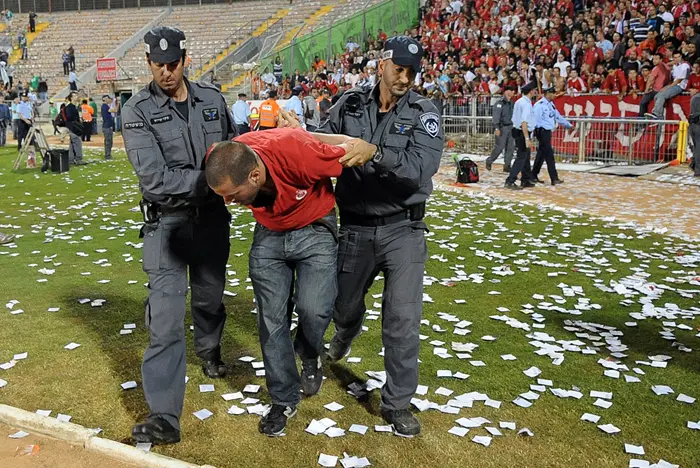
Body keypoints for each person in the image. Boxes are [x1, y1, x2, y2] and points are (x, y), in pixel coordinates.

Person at [315, 36, 444, 437]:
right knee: (341, 306)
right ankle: (347, 330)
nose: (404, 77)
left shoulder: (425, 112)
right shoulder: (350, 103)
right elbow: (322, 141)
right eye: (399, 68)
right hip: (355, 226)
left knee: (402, 319)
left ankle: (397, 403)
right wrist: (297, 133)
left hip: (404, 229)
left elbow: (419, 168)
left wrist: (375, 153)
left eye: (412, 71)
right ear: (382, 65)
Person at [122, 26, 236, 446]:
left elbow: (233, 149)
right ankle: (164, 415)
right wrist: (217, 181)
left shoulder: (212, 99)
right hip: (165, 225)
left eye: (173, 65)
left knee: (208, 296)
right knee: (166, 319)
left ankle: (209, 349)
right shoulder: (135, 110)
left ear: (184, 61)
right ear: (148, 63)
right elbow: (154, 179)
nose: (167, 73)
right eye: (158, 66)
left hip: (210, 221)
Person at [205, 126, 356, 436]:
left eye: (232, 196)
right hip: (270, 233)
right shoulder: (222, 157)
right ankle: (282, 399)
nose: (229, 203)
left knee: (314, 310)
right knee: (272, 320)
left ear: (255, 177)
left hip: (315, 226)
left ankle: (310, 353)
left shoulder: (297, 151)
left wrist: (365, 146)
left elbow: (351, 153)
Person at [531, 86, 572, 186]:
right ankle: (554, 178)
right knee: (549, 155)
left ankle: (533, 175)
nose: (554, 95)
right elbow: (534, 120)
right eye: (553, 93)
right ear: (547, 93)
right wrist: (530, 135)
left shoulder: (551, 105)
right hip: (541, 131)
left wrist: (568, 125)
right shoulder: (539, 105)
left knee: (541, 154)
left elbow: (557, 116)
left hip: (547, 131)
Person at [505, 81, 538, 190]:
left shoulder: (519, 101)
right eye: (534, 90)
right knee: (521, 157)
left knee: (526, 156)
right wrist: (527, 138)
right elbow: (524, 122)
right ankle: (510, 180)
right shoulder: (526, 104)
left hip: (517, 130)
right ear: (531, 91)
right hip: (523, 131)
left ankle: (526, 179)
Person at [648, 52, 691, 119]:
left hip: (680, 86)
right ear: (673, 58)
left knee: (661, 95)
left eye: (678, 57)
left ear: (681, 57)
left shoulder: (685, 65)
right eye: (675, 57)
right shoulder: (675, 66)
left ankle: (656, 114)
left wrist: (668, 87)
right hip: (674, 85)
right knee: (657, 96)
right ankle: (659, 116)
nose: (677, 59)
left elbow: (679, 80)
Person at [485, 85, 516, 173]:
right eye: (512, 90)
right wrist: (496, 128)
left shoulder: (512, 103)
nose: (513, 92)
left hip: (511, 126)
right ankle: (490, 160)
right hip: (502, 127)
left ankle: (507, 165)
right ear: (506, 91)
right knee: (499, 147)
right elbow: (496, 117)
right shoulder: (499, 103)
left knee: (510, 148)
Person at [64, 95, 84, 164]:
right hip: (73, 127)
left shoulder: (74, 106)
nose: (77, 97)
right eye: (75, 96)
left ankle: (71, 159)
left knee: (72, 143)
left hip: (73, 127)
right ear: (71, 98)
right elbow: (69, 117)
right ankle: (78, 159)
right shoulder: (70, 107)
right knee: (77, 142)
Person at [689, 91, 700, 178]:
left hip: (694, 126)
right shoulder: (697, 98)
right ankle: (697, 170)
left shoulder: (695, 97)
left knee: (697, 148)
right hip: (697, 126)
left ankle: (694, 165)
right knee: (698, 148)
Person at [101, 95, 115, 160]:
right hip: (107, 127)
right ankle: (107, 155)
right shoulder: (104, 106)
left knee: (109, 141)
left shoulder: (106, 106)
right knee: (108, 141)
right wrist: (116, 103)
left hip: (108, 126)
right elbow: (114, 110)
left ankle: (108, 154)